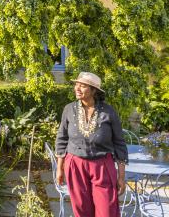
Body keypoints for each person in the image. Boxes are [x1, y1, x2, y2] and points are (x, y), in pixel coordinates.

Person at [55, 72, 128, 217]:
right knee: (82, 210)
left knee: (106, 210)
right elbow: (61, 139)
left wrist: (121, 176)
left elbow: (119, 143)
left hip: (102, 166)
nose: (77, 88)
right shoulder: (69, 109)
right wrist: (59, 169)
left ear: (94, 91)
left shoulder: (108, 112)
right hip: (75, 165)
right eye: (76, 85)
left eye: (83, 86)